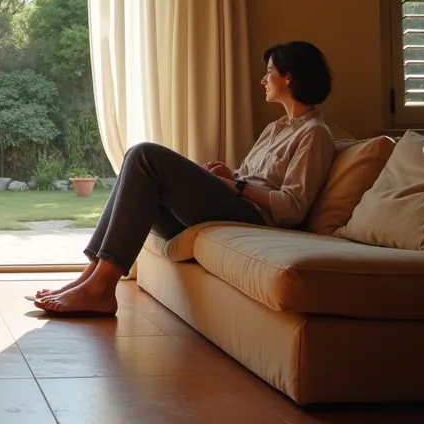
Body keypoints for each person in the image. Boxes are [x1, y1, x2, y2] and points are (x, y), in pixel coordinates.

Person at [32, 41, 336, 316]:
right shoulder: (275, 129)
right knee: (136, 171)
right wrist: (231, 176)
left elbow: (293, 206)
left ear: (288, 77)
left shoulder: (315, 134)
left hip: (257, 217)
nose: (262, 80)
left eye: (269, 72)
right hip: (238, 204)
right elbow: (250, 178)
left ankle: (100, 289)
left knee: (144, 155)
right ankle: (90, 277)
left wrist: (237, 186)